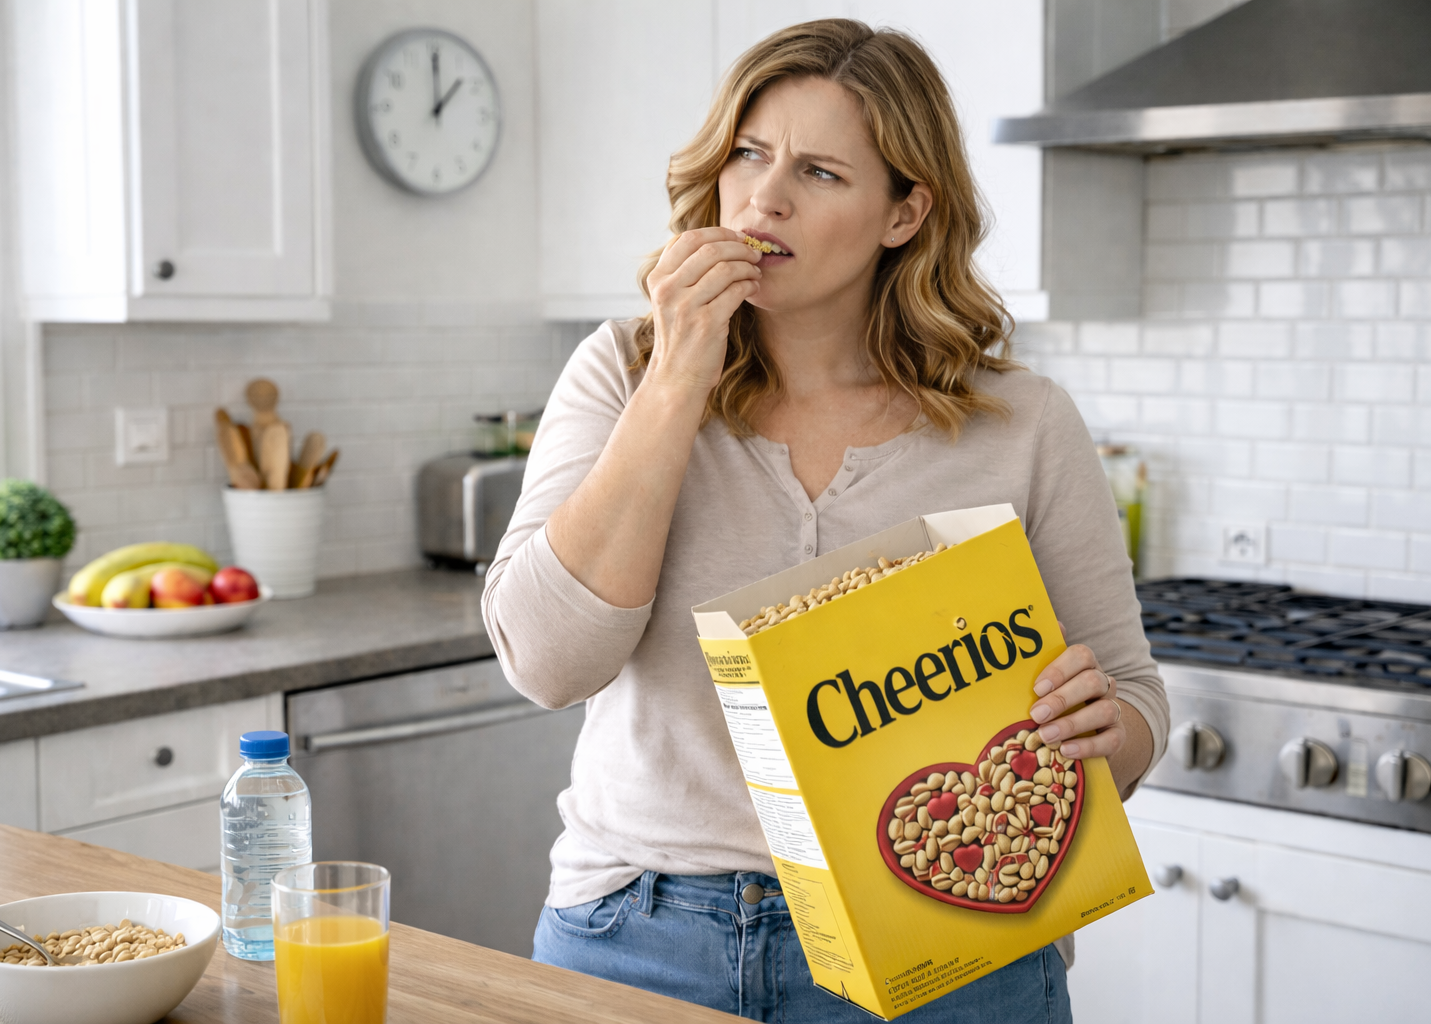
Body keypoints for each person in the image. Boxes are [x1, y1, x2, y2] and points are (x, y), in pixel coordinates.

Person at [483, 18, 1168, 1023]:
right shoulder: (621, 371)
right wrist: (678, 377)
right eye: (750, 155)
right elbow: (545, 662)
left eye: (819, 172)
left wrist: (1107, 731)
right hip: (644, 927)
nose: (764, 196)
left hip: (954, 944)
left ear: (904, 212)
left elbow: (1137, 705)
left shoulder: (1024, 425)